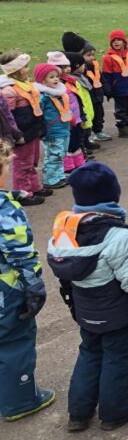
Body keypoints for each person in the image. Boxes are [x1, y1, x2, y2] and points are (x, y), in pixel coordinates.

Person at [46, 162, 128, 432]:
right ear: (113, 195)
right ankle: (116, 409)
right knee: (118, 357)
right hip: (118, 313)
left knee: (89, 353)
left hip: (85, 309)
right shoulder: (117, 236)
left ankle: (79, 412)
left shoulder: (64, 232)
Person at [0, 139, 54, 421]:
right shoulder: (5, 211)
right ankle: (21, 399)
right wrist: (34, 285)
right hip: (6, 290)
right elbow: (20, 251)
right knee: (14, 341)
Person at [0, 53, 46, 204]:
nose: (28, 69)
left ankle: (35, 187)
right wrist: (16, 134)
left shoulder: (25, 85)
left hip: (33, 129)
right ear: (16, 70)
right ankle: (24, 192)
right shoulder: (9, 91)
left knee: (33, 160)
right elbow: (8, 116)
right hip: (22, 132)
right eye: (25, 67)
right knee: (22, 164)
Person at [63, 32, 109, 144]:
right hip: (88, 98)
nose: (92, 57)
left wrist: (106, 89)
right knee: (87, 117)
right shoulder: (78, 71)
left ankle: (96, 132)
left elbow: (100, 78)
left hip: (97, 95)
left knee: (98, 114)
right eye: (88, 55)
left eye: (93, 55)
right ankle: (86, 139)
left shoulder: (93, 66)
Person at [35, 63, 72, 190]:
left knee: (61, 153)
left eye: (56, 76)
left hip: (63, 128)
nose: (56, 79)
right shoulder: (43, 96)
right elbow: (38, 113)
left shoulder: (59, 92)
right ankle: (50, 179)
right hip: (52, 130)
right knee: (53, 155)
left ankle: (59, 175)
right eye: (51, 77)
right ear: (42, 80)